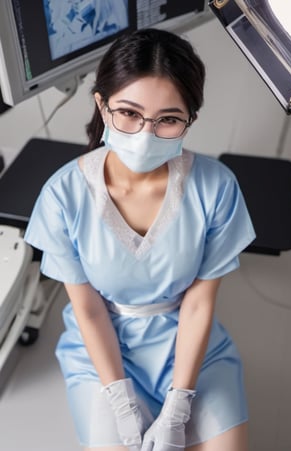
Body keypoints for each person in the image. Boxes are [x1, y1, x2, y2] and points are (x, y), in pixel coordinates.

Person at [24, 28, 255, 451]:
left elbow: (200, 303)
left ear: (190, 120)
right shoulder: (63, 196)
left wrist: (179, 405)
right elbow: (89, 310)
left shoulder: (216, 188)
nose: (144, 134)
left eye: (167, 119)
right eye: (128, 113)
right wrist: (121, 401)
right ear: (101, 103)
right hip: (103, 356)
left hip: (189, 348)